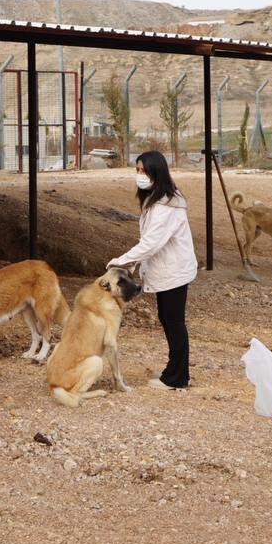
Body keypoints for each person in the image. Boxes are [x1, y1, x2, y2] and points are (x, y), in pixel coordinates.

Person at [106, 151, 197, 390]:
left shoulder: (166, 206)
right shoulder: (157, 200)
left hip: (174, 271)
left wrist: (121, 261)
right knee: (167, 319)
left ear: (157, 172)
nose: (139, 175)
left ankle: (177, 378)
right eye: (137, 170)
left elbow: (151, 243)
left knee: (173, 321)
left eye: (143, 171)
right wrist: (133, 263)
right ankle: (174, 370)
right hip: (168, 269)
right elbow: (151, 241)